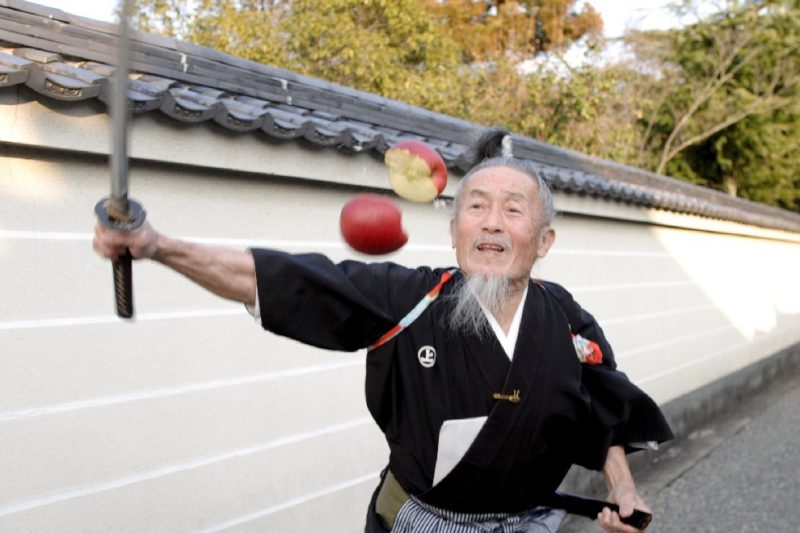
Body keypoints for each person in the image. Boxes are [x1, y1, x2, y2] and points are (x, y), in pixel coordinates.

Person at [93, 129, 673, 532]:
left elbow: (603, 416)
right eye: (476, 207)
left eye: (514, 210)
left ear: (543, 241)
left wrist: (622, 489)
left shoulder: (567, 319)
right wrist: (157, 245)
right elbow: (282, 278)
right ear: (454, 230)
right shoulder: (410, 299)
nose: (492, 222)